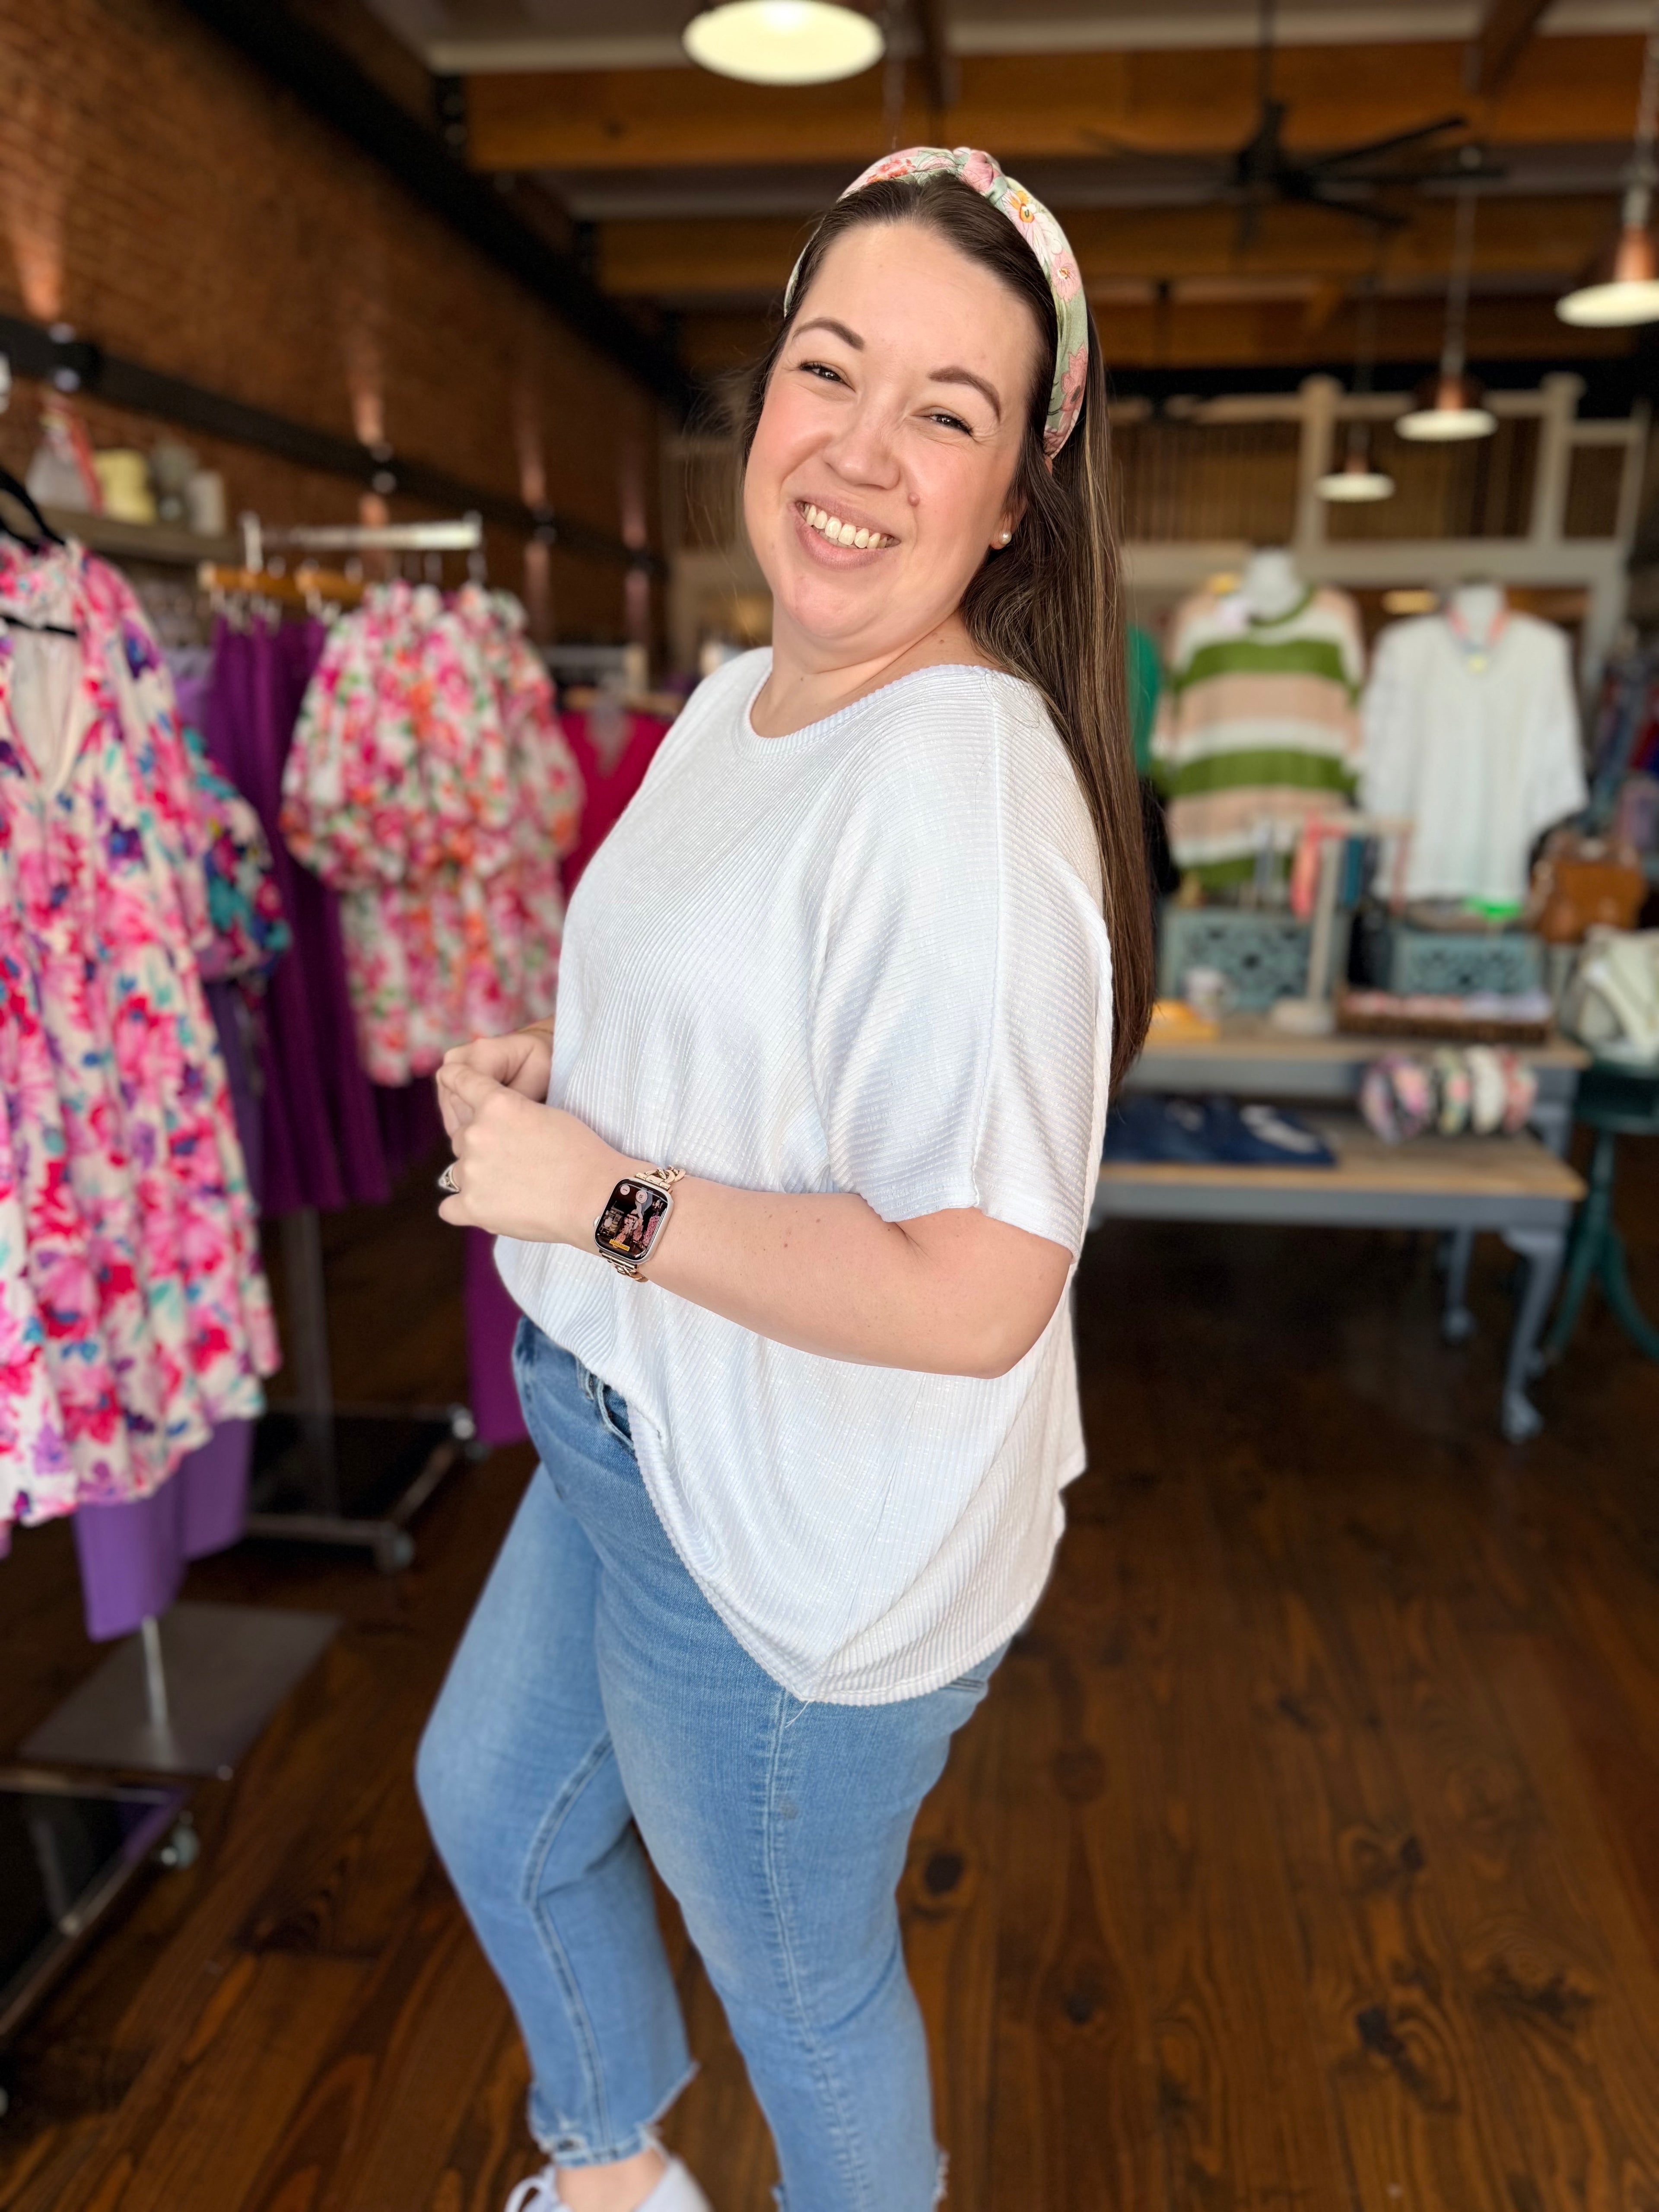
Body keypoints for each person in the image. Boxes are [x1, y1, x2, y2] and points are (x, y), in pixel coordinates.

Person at [416, 145, 1153, 2212]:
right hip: (632, 1421)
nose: (859, 449)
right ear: (766, 392)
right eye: (832, 367)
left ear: (1013, 501)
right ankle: (615, 2175)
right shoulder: (750, 694)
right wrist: (574, 1068)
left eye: (948, 411)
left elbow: (980, 1284)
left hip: (798, 1537)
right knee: (492, 1799)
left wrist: (606, 1196)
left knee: (802, 1988)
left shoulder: (962, 791)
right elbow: (761, 1019)